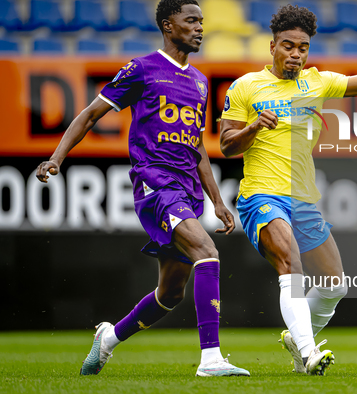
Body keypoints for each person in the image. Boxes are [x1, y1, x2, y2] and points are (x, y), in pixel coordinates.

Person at [219, 4, 357, 376]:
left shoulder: (317, 82)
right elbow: (227, 145)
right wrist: (254, 127)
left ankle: (297, 339)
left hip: (303, 199)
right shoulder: (246, 87)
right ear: (272, 46)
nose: (295, 53)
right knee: (290, 264)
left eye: (302, 47)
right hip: (261, 195)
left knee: (334, 287)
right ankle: (309, 354)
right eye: (288, 45)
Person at [35, 0, 249, 378]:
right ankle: (211, 358)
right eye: (191, 21)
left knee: (171, 293)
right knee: (207, 250)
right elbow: (89, 115)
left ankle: (109, 338)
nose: (200, 28)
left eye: (202, 21)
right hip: (156, 182)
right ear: (169, 26)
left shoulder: (199, 81)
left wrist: (217, 201)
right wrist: (57, 158)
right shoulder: (142, 69)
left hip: (186, 189)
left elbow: (197, 146)